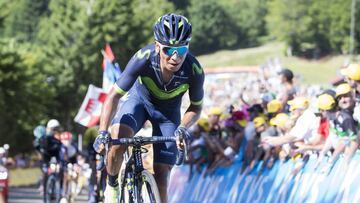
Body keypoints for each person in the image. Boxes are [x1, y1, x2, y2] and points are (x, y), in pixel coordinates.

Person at [93, 13, 204, 203]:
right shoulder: (143, 57)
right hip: (139, 103)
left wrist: (183, 128)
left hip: (168, 115)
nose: (176, 57)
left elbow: (196, 106)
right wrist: (103, 132)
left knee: (162, 173)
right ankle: (112, 186)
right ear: (157, 45)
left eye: (182, 49)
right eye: (169, 50)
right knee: (118, 139)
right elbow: (113, 96)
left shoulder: (194, 69)